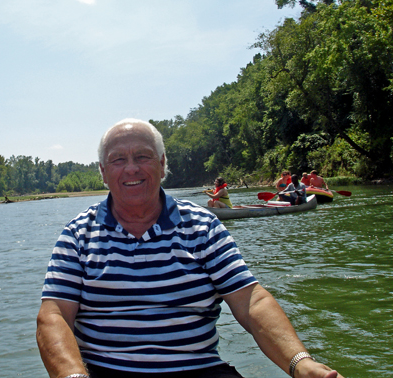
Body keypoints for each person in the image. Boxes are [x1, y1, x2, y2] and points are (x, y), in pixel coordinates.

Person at [36, 118, 343, 378]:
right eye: (118, 160)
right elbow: (54, 316)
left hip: (198, 369)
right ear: (103, 171)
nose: (131, 168)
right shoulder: (77, 234)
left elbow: (251, 302)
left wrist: (301, 365)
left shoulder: (203, 226)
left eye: (142, 156)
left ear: (161, 163)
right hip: (105, 371)